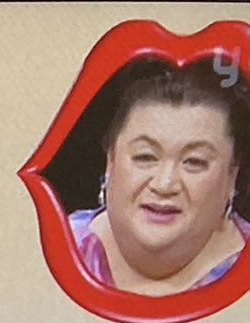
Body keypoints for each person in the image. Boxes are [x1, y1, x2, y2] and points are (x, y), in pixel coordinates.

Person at [68, 60, 249, 295]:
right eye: (145, 157)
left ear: (232, 175)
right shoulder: (57, 245)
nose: (164, 185)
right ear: (110, 161)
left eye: (194, 162)